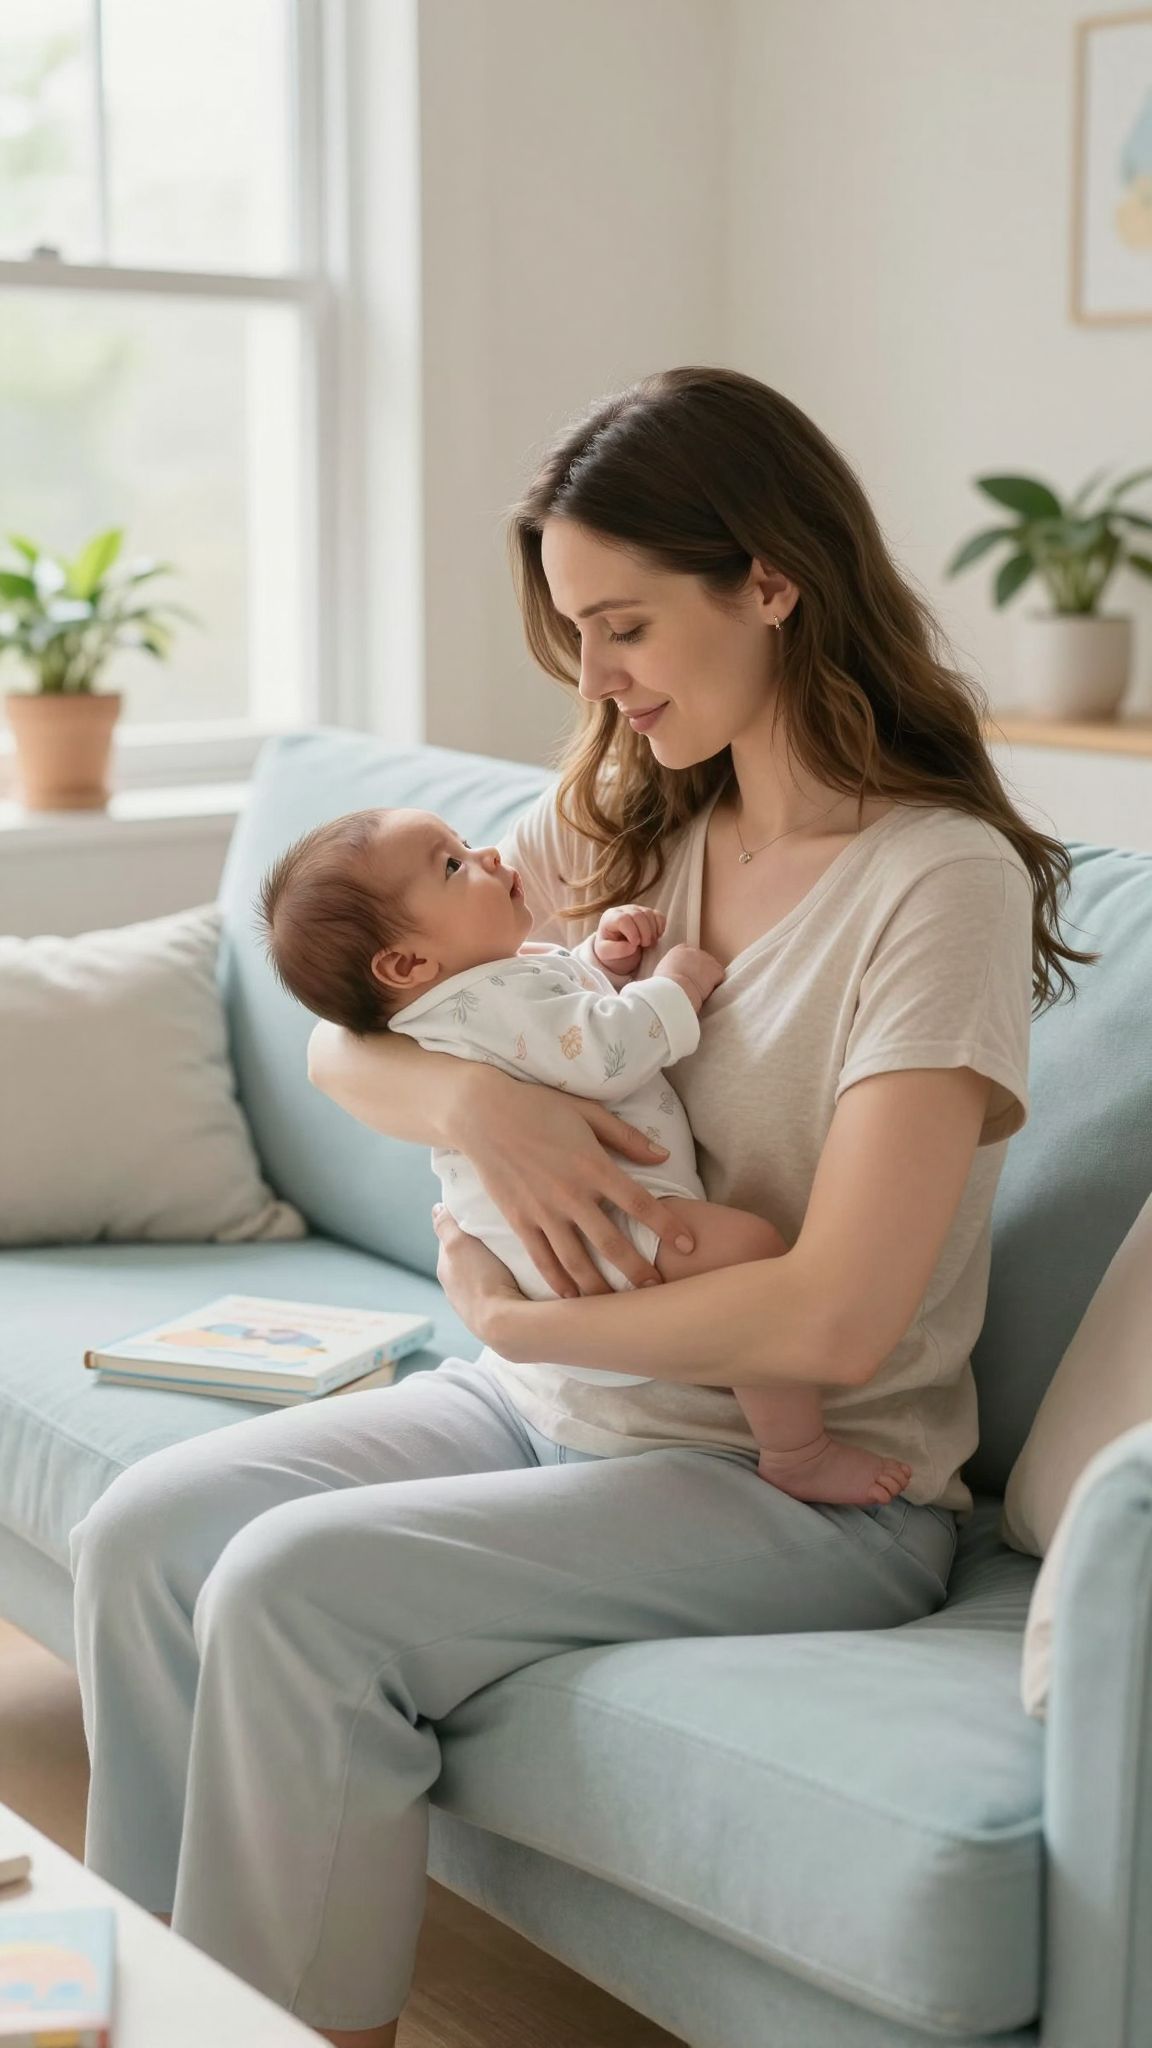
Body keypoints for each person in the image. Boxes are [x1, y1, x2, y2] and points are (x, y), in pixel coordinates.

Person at [69, 366, 1092, 2048]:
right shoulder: (634, 814)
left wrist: (523, 1316)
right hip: (556, 1408)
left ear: (771, 580)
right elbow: (347, 1035)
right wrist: (475, 1102)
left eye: (622, 627)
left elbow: (838, 1319)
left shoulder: (936, 884)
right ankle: (144, 2014)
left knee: (295, 1588)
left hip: (797, 1484)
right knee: (144, 1535)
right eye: (574, 633)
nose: (594, 681)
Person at [256, 801, 914, 1502]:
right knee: (748, 1252)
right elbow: (600, 1053)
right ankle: (798, 1450)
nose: (488, 856)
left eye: (465, 843)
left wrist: (600, 960)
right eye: (452, 865)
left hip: (549, 1259)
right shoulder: (483, 1000)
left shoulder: (475, 985)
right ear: (408, 962)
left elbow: (554, 1009)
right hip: (594, 1237)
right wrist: (676, 985)